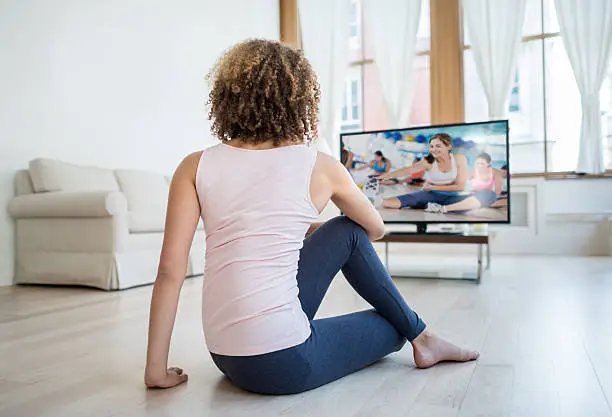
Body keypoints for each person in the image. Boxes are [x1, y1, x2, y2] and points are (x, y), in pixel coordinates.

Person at [143, 39, 479, 395]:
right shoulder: (319, 165)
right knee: (390, 320)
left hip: (224, 355)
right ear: (299, 100)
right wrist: (305, 225)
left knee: (339, 232)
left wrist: (156, 371)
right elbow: (375, 230)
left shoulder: (195, 165)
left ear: (227, 98)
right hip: (284, 364)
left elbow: (169, 271)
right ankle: (422, 336)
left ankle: (422, 336)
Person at [378, 134, 471, 210]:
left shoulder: (459, 158)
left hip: (453, 197)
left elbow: (460, 187)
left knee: (471, 203)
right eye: (431, 146)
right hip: (431, 195)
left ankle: (431, 205)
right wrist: (387, 175)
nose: (433, 149)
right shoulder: (428, 161)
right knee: (396, 202)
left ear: (449, 147)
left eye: (438, 146)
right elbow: (408, 170)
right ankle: (372, 201)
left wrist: (432, 187)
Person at [424, 152, 501, 214]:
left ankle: (444, 208)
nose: (479, 166)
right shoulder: (472, 171)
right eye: (477, 163)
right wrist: (433, 185)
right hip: (471, 196)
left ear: (488, 163)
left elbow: (497, 191)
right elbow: (455, 182)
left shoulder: (495, 172)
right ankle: (443, 207)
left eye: (482, 163)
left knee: (491, 194)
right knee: (461, 207)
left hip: (485, 196)